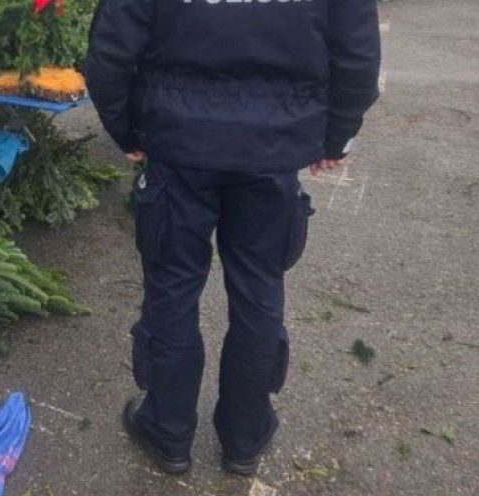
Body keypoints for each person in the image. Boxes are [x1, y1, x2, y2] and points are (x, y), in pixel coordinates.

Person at [85, 0, 380, 476]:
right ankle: (245, 436)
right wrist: (335, 137)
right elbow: (358, 52)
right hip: (272, 149)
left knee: (172, 288)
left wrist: (127, 132)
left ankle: (169, 430)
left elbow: (109, 51)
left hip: (179, 145)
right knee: (259, 289)